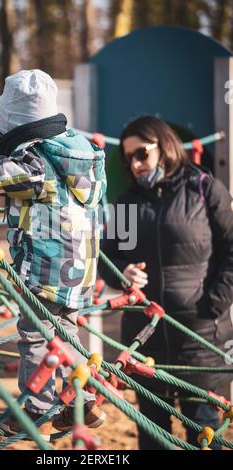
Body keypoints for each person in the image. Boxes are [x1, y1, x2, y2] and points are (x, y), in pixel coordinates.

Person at [0, 69, 107, 440]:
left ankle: (36, 406)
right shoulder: (81, 154)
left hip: (47, 273)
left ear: (16, 124)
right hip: (80, 272)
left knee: (34, 336)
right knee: (65, 334)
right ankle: (82, 399)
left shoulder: (35, 164)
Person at [98, 115, 233, 450]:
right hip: (144, 339)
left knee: (204, 431)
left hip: (199, 339)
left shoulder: (204, 189)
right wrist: (122, 274)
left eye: (142, 152)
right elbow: (108, 259)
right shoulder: (128, 204)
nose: (136, 163)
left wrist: (213, 304)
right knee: (152, 434)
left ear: (165, 146)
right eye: (129, 157)